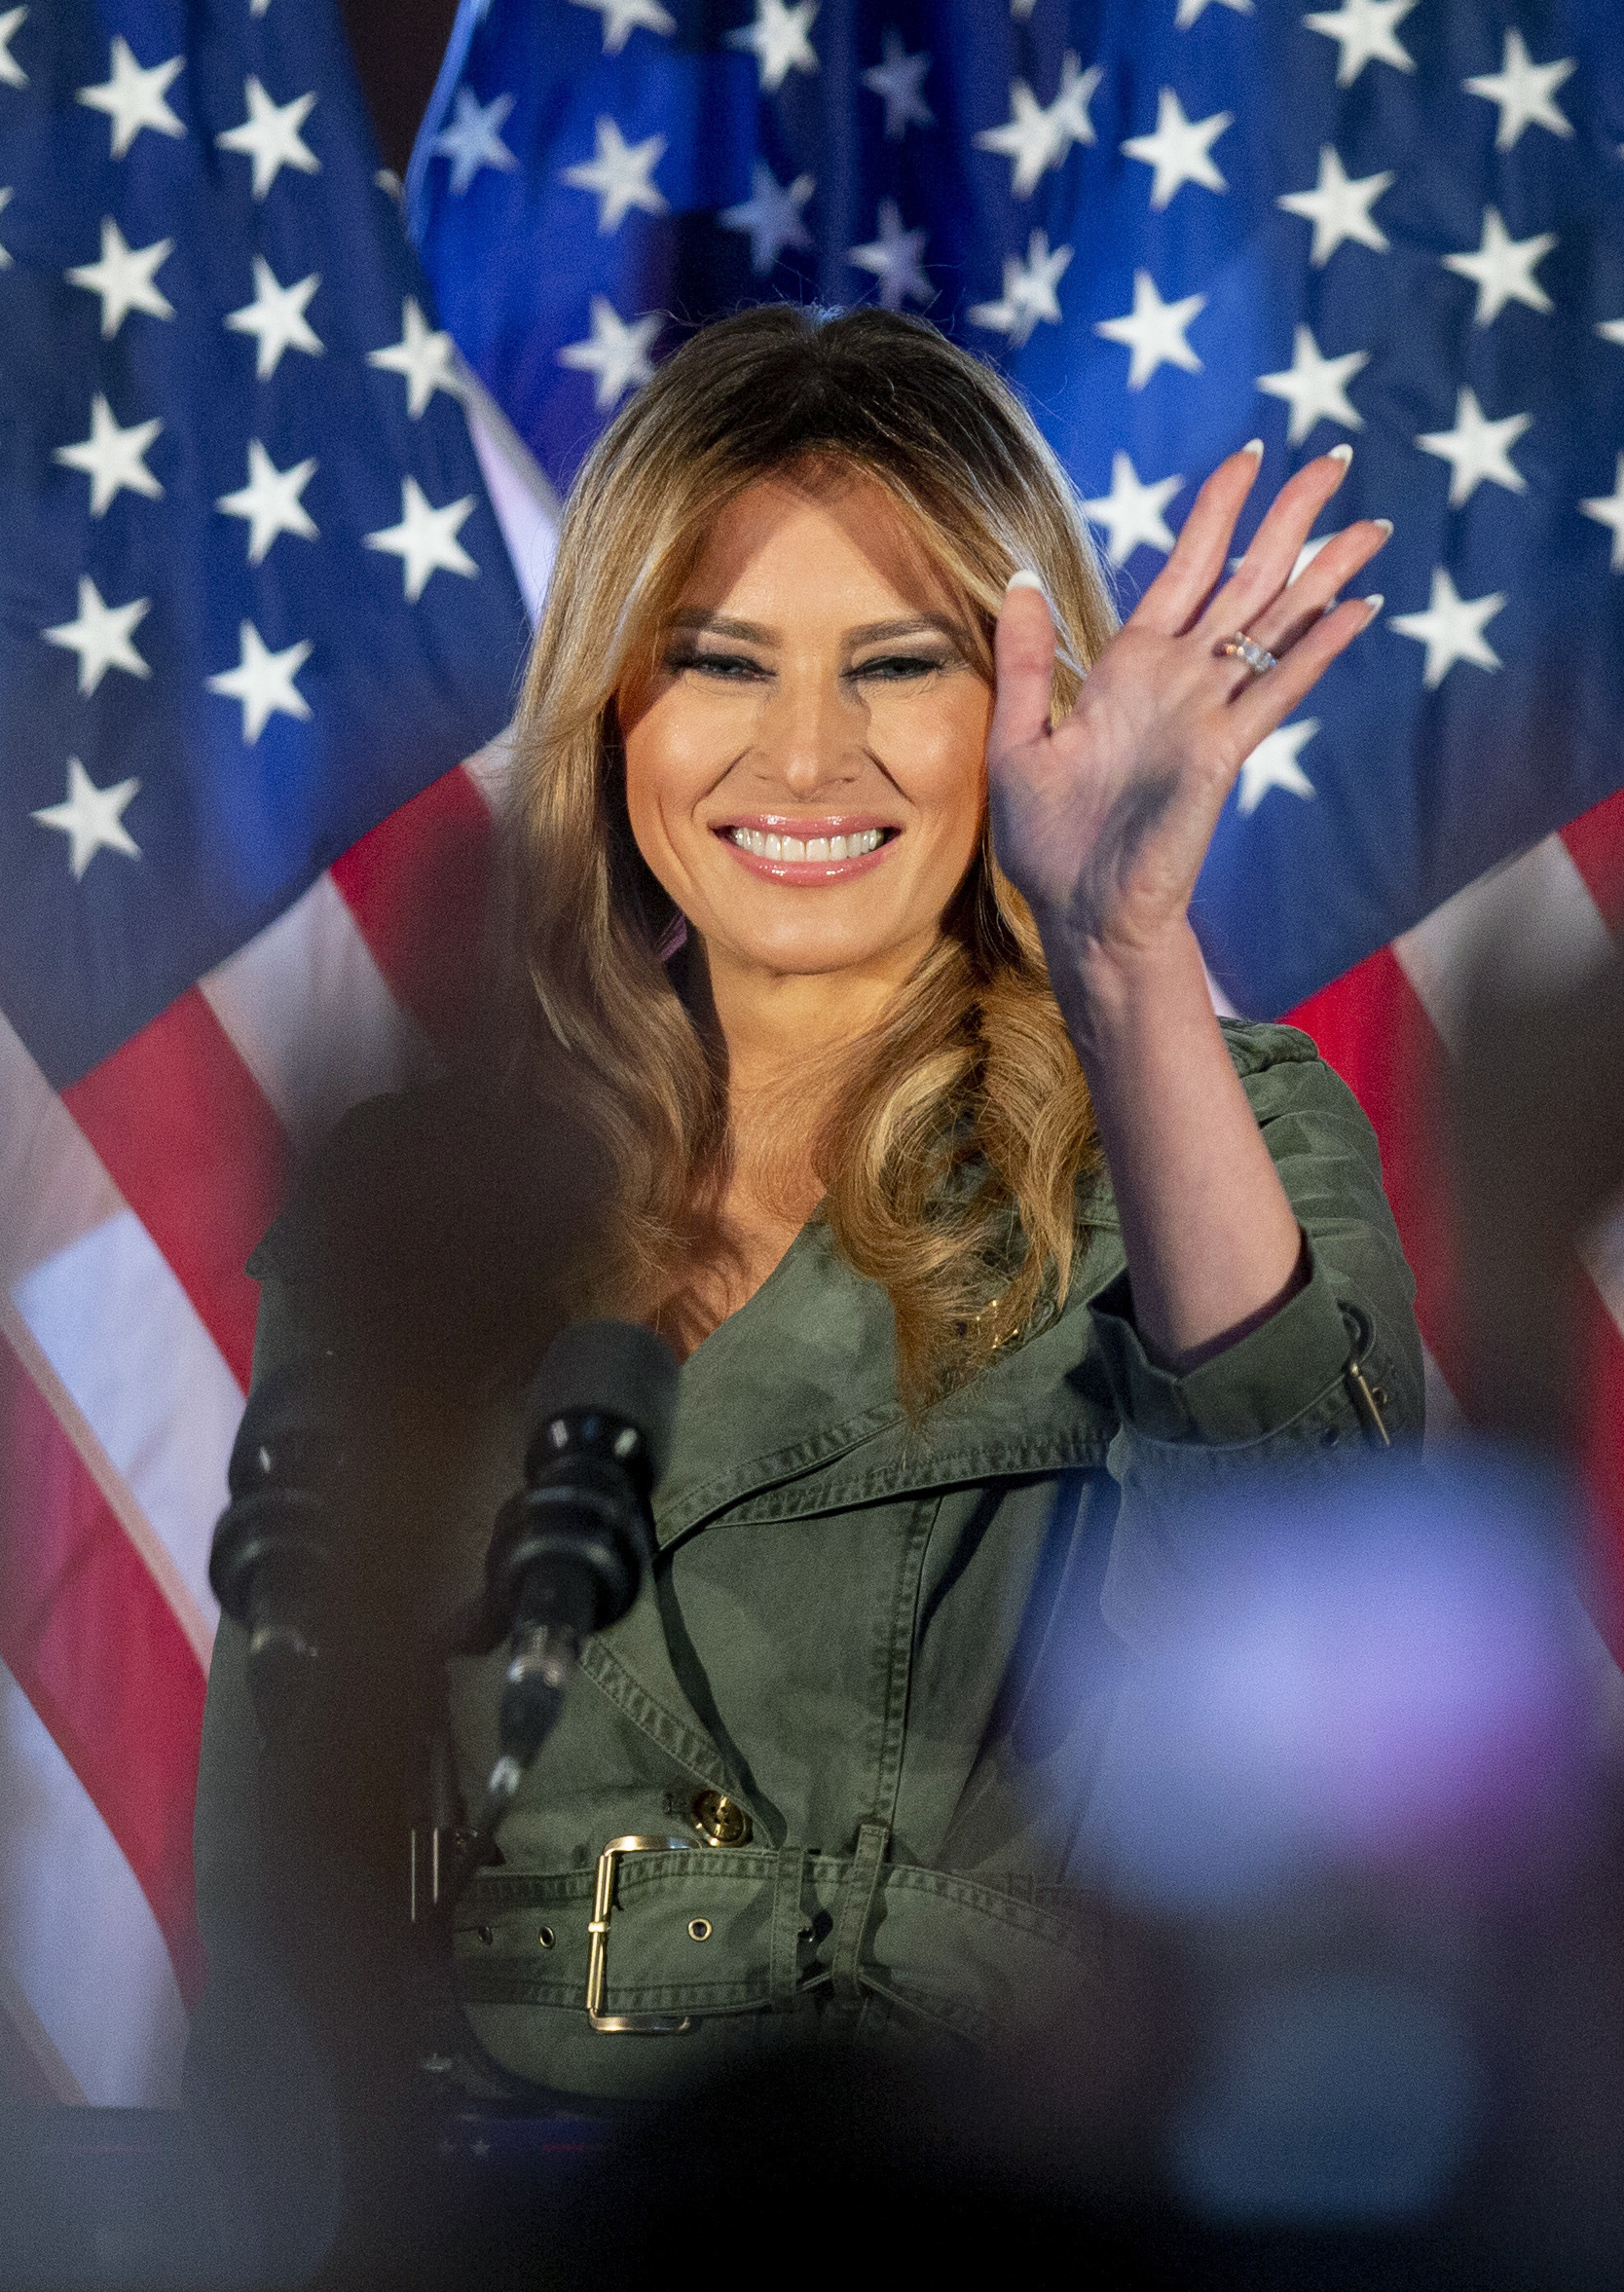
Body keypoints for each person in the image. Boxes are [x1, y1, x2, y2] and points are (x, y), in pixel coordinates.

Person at [192, 305, 1434, 2107]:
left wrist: (1121, 948)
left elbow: (1333, 1600)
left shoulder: (1200, 1135)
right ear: (613, 709)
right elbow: (284, 1856)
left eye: (898, 664)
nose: (803, 756)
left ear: (1027, 706)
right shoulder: (430, 1200)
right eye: (718, 659)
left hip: (999, 2189)